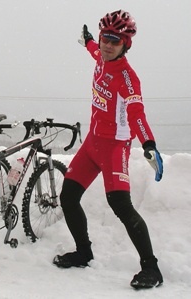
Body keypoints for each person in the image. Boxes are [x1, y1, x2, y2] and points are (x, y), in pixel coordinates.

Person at [52, 10, 164, 289]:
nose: (107, 45)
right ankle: (84, 252)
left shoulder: (127, 77)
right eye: (105, 38)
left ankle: (151, 268)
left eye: (115, 40)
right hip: (92, 143)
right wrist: (88, 40)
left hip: (115, 147)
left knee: (120, 206)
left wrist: (148, 143)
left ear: (126, 44)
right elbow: (93, 50)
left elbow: (137, 112)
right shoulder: (101, 57)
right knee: (68, 196)